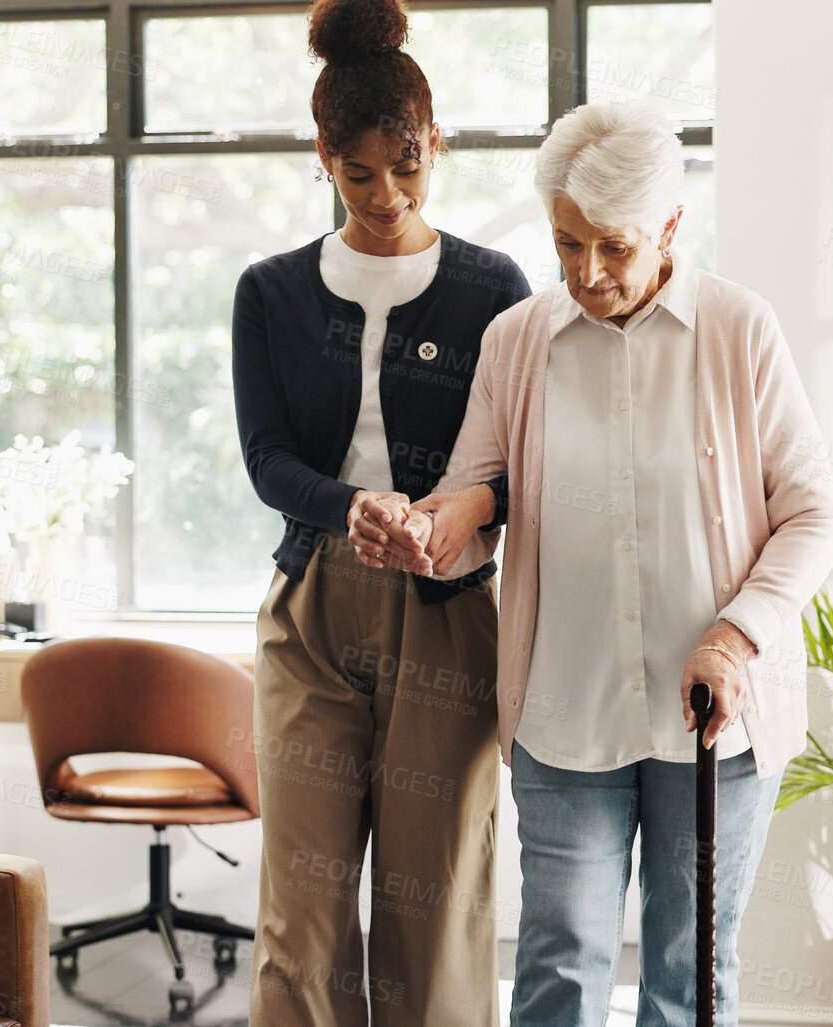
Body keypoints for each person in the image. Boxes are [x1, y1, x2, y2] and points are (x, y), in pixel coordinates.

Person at [383, 101, 833, 1026]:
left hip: (712, 720)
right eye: (565, 243)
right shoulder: (517, 341)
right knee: (558, 968)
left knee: (687, 975)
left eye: (614, 247)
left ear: (670, 227)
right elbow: (474, 503)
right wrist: (425, 533)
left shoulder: (737, 331)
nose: (586, 272)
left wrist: (736, 633)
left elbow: (812, 513)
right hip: (565, 714)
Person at [229, 0, 530, 1022]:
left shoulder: (496, 288)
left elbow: (523, 465)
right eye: (360, 174)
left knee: (434, 902)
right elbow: (267, 458)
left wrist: (445, 516)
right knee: (301, 909)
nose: (388, 195)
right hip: (313, 603)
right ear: (322, 158)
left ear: (435, 142)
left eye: (408, 166)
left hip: (446, 606)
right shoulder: (268, 291)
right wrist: (356, 505)